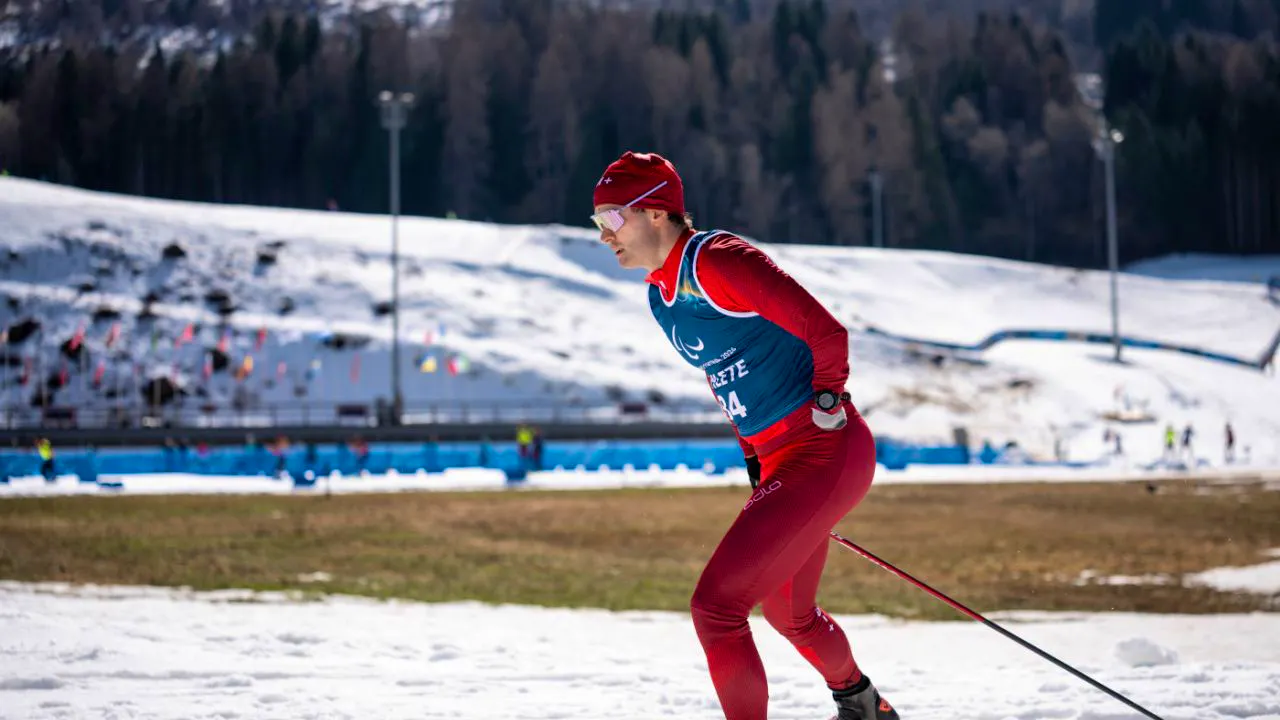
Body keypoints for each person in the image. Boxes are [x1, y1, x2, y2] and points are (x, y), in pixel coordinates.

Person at [591, 151, 896, 720]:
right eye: (597, 221)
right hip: (781, 462)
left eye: (612, 217)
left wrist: (828, 397)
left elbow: (826, 332)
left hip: (824, 448)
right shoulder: (661, 296)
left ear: (656, 211)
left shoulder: (716, 261)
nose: (604, 235)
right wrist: (754, 455)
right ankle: (864, 707)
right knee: (790, 615)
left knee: (716, 609)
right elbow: (727, 379)